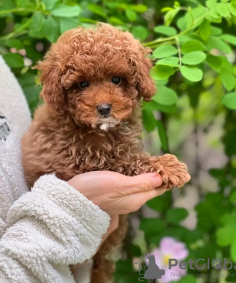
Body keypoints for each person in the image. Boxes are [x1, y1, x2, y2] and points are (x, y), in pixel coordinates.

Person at [0, 55, 166, 283]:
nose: (103, 101)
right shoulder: (60, 127)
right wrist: (75, 212)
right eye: (84, 84)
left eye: (116, 80)